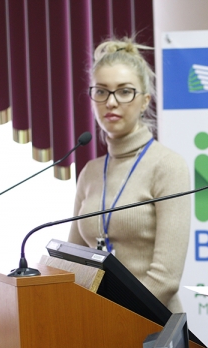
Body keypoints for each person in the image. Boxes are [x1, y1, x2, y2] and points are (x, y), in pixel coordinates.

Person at [68, 37, 190, 313]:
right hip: (96, 322)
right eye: (101, 91)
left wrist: (110, 317)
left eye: (124, 92)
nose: (111, 102)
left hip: (153, 322)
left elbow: (166, 279)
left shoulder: (168, 165)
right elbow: (71, 260)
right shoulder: (90, 172)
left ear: (145, 101)